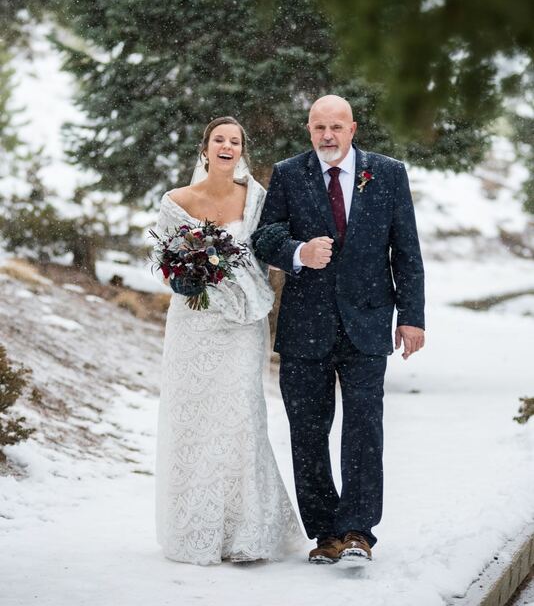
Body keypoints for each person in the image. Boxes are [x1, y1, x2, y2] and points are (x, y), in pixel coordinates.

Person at [252, 95, 425, 565]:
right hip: (305, 325)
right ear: (308, 130)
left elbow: (405, 249)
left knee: (364, 429)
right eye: (318, 128)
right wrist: (298, 252)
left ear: (353, 128)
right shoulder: (289, 173)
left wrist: (411, 316)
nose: (327, 136)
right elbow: (264, 236)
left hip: (368, 323)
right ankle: (325, 533)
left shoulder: (388, 174)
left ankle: (358, 532)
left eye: (336, 127)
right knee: (307, 431)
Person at [154, 116, 301, 565]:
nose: (227, 146)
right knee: (194, 419)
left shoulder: (255, 198)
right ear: (205, 148)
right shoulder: (176, 202)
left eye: (235, 141)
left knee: (240, 417)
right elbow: (165, 260)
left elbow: (262, 256)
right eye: (219, 139)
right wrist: (189, 276)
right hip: (193, 326)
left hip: (241, 322)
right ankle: (196, 527)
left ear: (241, 151)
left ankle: (245, 531)